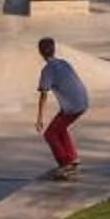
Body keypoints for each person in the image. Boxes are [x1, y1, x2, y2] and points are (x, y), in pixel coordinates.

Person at [34, 38, 90, 180]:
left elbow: (43, 96)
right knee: (60, 128)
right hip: (82, 101)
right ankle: (73, 158)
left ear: (40, 53)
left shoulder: (47, 70)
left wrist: (39, 118)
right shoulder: (64, 63)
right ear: (54, 50)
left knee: (50, 134)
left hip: (72, 107)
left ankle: (66, 165)